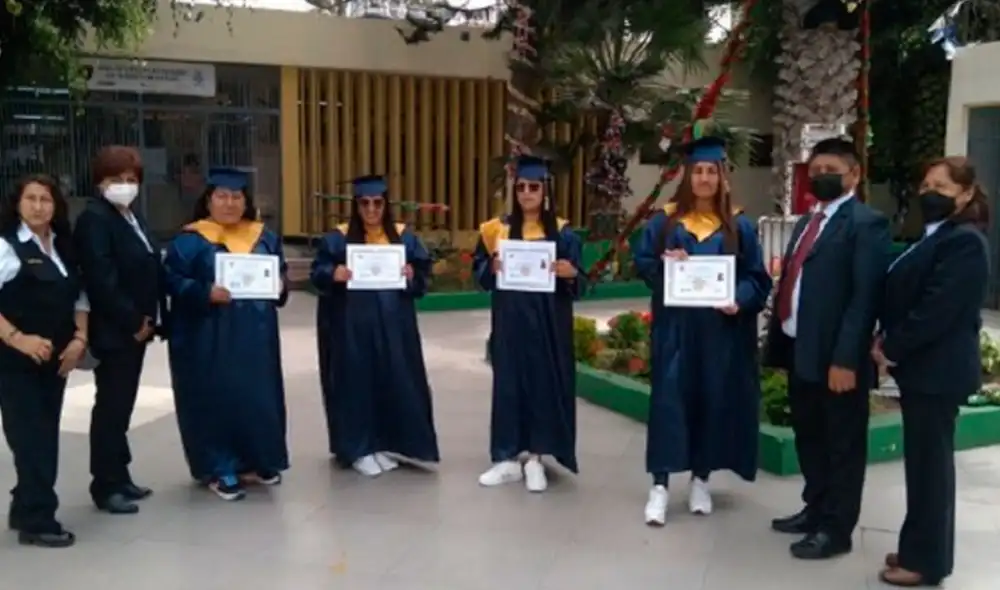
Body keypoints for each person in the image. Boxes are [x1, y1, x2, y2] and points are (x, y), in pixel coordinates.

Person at [633, 136, 772, 525]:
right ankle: (659, 486)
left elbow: (756, 278)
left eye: (712, 171)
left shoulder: (739, 226)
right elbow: (643, 263)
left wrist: (739, 300)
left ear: (722, 177)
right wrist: (666, 262)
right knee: (668, 405)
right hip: (675, 331)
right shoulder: (665, 221)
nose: (705, 179)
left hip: (718, 333)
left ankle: (700, 479)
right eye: (699, 171)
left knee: (711, 401)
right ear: (688, 175)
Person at [763, 137, 890, 559]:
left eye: (831, 170)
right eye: (815, 171)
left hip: (838, 359)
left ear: (854, 174)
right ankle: (814, 508)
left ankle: (836, 530)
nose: (821, 177)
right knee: (810, 436)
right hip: (801, 350)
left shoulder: (866, 223)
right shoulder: (808, 221)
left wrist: (844, 359)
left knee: (842, 445)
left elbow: (864, 297)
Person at [872, 157, 990, 587]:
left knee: (930, 470)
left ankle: (927, 562)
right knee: (922, 466)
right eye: (925, 184)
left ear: (966, 194)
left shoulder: (965, 243)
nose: (929, 192)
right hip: (924, 372)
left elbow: (937, 309)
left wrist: (891, 346)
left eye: (941, 186)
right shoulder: (936, 236)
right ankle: (917, 547)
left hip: (937, 373)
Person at [164, 168, 289, 501]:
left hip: (257, 335)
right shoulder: (190, 240)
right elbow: (170, 281)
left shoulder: (264, 237)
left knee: (257, 395)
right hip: (209, 336)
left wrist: (280, 286)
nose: (230, 203)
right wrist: (204, 292)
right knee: (216, 396)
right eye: (222, 196)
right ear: (208, 200)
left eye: (236, 197)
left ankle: (258, 459)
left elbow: (281, 274)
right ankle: (220, 467)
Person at [310, 175, 439, 476]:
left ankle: (381, 442)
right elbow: (318, 273)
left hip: (394, 327)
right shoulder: (337, 239)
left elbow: (422, 278)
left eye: (377, 203)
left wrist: (411, 275)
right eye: (364, 203)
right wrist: (333, 273)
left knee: (391, 379)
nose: (371, 210)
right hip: (350, 327)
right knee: (355, 383)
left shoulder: (403, 238)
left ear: (386, 205)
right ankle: (357, 448)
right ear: (355, 206)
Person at [473, 155, 585, 493]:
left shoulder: (563, 234)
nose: (526, 193)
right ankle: (506, 458)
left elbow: (580, 283)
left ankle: (536, 457)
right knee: (507, 385)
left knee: (542, 385)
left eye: (533, 187)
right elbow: (480, 274)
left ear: (545, 191)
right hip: (509, 323)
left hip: (549, 325)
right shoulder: (496, 230)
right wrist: (488, 269)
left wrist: (571, 273)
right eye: (520, 187)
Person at [74, 146, 166, 515]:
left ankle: (120, 474)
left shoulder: (131, 216)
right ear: (100, 183)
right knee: (111, 407)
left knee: (122, 405)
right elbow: (101, 279)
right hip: (116, 330)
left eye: (131, 180)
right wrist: (133, 321)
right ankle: (105, 484)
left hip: (138, 328)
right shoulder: (95, 219)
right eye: (116, 180)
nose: (125, 186)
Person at [0, 175, 89, 547]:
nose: (39, 206)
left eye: (46, 199)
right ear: (17, 204)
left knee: (44, 436)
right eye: (31, 199)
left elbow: (81, 297)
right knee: (31, 440)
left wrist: (79, 339)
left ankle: (24, 506)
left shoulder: (63, 246)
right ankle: (38, 520)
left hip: (56, 362)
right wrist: (18, 339)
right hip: (14, 363)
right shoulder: (7, 247)